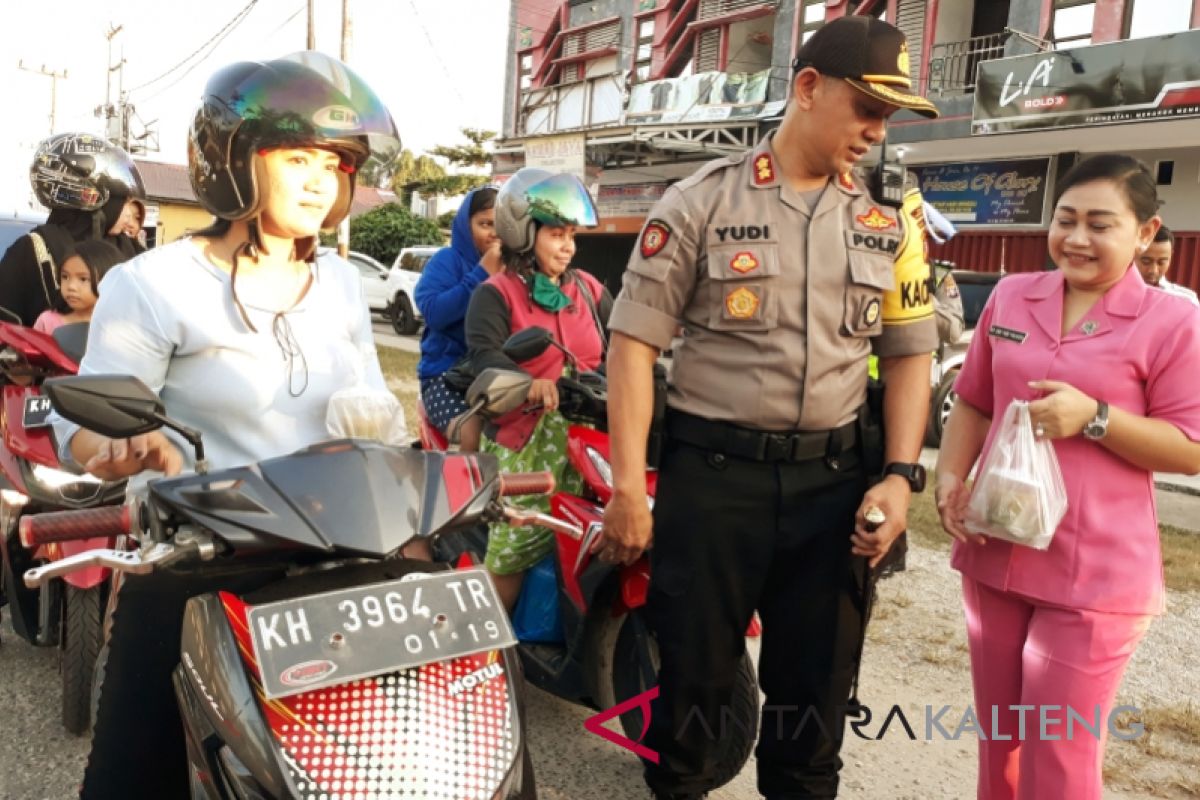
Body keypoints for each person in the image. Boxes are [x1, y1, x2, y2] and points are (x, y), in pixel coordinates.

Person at [599, 15, 940, 799]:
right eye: (867, 108)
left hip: (835, 491)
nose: (875, 132)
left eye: (888, 119)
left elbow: (909, 351)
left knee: (811, 718)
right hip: (715, 487)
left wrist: (897, 476)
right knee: (692, 708)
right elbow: (632, 346)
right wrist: (626, 484)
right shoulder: (698, 202)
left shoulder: (890, 220)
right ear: (809, 88)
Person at [53, 51, 400, 799]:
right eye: (299, 157)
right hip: (201, 566)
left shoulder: (341, 281)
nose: (320, 180)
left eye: (335, 163)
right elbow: (80, 427)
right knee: (130, 781)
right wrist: (119, 446)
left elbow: (372, 401)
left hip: (339, 568)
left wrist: (390, 430)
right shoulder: (156, 282)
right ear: (234, 161)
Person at [935, 154, 1200, 800]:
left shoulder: (1175, 322)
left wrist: (1096, 418)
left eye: (1100, 224)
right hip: (995, 550)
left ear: (1144, 232)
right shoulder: (1011, 296)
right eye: (1066, 220)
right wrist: (948, 476)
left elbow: (1190, 447)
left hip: (1094, 575)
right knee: (1000, 746)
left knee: (1058, 754)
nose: (1077, 239)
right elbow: (973, 399)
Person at [463, 167, 611, 609]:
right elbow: (484, 357)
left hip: (592, 437)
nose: (568, 246)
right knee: (512, 552)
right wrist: (530, 385)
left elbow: (621, 344)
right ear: (524, 233)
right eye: (557, 235)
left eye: (571, 235)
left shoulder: (587, 289)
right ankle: (486, 650)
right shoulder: (496, 294)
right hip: (529, 440)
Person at [0, 132, 146, 327]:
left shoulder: (132, 250)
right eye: (123, 201)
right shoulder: (34, 250)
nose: (130, 212)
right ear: (93, 196)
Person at [414, 185, 501, 450]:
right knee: (469, 430)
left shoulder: (515, 267)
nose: (494, 233)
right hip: (445, 378)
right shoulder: (447, 261)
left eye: (501, 224)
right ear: (466, 225)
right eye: (484, 224)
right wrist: (481, 273)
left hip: (495, 377)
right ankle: (466, 491)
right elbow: (434, 312)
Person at [32, 239, 127, 333]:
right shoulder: (47, 321)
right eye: (65, 277)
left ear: (109, 280)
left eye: (83, 279)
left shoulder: (122, 327)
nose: (71, 286)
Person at [1136, 225, 1198, 305]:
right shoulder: (1116, 292)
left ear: (1171, 256)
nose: (1153, 270)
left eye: (1161, 262)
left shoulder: (1186, 300)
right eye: (1146, 262)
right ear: (1132, 255)